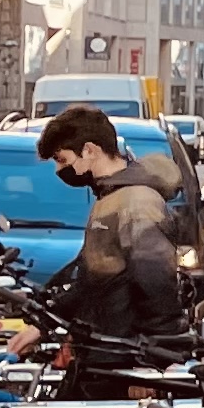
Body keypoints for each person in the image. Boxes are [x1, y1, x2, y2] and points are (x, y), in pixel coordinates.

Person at [36, 106, 189, 340]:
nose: (59, 169)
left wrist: (160, 349)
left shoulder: (136, 202)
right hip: (107, 345)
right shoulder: (110, 197)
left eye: (62, 159)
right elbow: (96, 279)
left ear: (89, 150)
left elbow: (155, 283)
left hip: (122, 350)